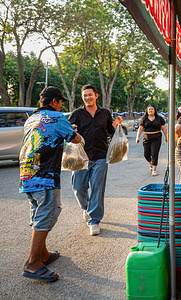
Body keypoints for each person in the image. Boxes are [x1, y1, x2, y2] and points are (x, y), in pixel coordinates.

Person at [20, 86, 84, 282]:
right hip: (44, 175)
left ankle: (43, 254)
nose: (60, 105)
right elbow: (76, 139)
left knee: (37, 213)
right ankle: (33, 263)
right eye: (60, 102)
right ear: (54, 101)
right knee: (48, 212)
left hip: (27, 173)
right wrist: (73, 131)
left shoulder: (31, 119)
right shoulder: (56, 117)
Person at [68, 84, 122, 236]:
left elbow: (110, 132)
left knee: (97, 188)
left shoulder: (105, 113)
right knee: (79, 188)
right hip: (80, 158)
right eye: (85, 95)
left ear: (96, 96)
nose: (87, 97)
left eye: (90, 95)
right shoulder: (77, 113)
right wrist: (72, 129)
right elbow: (69, 130)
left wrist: (116, 125)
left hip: (100, 156)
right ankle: (86, 208)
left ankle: (94, 220)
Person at [136, 105, 168, 176]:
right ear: (147, 111)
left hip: (156, 137)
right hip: (146, 137)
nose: (150, 110)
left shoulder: (159, 118)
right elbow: (140, 128)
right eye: (149, 109)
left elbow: (163, 128)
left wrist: (166, 136)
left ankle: (154, 170)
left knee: (154, 154)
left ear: (154, 110)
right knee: (146, 154)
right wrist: (137, 137)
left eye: (152, 109)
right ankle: (151, 163)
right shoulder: (144, 119)